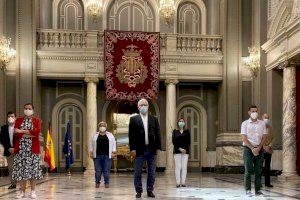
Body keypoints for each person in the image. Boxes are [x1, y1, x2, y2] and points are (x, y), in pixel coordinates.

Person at [128, 98, 161, 198]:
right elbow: (131, 135)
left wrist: (158, 147)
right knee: (137, 172)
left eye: (145, 104)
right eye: (141, 105)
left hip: (151, 149)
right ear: (138, 107)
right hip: (138, 150)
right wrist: (132, 149)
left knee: (151, 172)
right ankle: (139, 191)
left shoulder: (153, 119)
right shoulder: (134, 119)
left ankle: (150, 190)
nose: (143, 106)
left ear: (148, 106)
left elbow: (158, 133)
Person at [12, 103, 43, 199]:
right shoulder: (18, 120)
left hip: (32, 151)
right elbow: (15, 134)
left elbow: (36, 132)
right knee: (22, 171)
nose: (27, 110)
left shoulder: (36, 120)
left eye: (29, 108)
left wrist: (21, 131)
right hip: (21, 151)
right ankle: (22, 192)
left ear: (33, 110)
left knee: (33, 171)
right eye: (26, 108)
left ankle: (33, 192)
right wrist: (29, 133)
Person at [241, 105, 267, 196]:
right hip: (248, 149)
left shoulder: (262, 123)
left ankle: (257, 190)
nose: (254, 113)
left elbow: (264, 137)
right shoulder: (244, 124)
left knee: (258, 170)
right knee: (248, 170)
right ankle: (248, 189)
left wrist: (259, 148)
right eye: (252, 111)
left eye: (256, 111)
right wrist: (252, 149)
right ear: (249, 112)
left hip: (260, 148)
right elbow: (244, 138)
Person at [89, 121, 116, 188]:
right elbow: (91, 144)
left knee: (106, 170)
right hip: (97, 156)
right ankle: (97, 182)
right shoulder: (95, 135)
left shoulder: (110, 135)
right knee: (98, 171)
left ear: (106, 127)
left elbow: (113, 143)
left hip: (107, 156)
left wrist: (113, 152)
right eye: (101, 126)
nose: (102, 127)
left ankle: (107, 183)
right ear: (99, 127)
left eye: (103, 126)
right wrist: (91, 152)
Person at [0, 112, 17, 189]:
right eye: (9, 116)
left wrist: (15, 148)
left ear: (15, 117)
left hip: (19, 151)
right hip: (8, 151)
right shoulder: (3, 128)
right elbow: (2, 140)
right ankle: (13, 184)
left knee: (20, 168)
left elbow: (21, 139)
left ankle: (22, 184)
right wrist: (9, 148)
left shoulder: (19, 127)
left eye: (12, 116)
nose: (10, 117)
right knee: (11, 168)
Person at [172, 118, 190, 187]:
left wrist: (184, 149)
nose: (181, 122)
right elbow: (173, 141)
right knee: (178, 167)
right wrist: (180, 149)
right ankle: (178, 182)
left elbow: (188, 142)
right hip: (177, 151)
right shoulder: (175, 131)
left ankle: (183, 182)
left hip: (185, 152)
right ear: (178, 123)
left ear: (184, 123)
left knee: (184, 167)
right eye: (180, 121)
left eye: (182, 121)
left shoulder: (187, 132)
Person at [262, 113, 274, 187]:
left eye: (267, 118)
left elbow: (273, 138)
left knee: (267, 167)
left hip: (269, 150)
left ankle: (267, 183)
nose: (266, 119)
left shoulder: (271, 128)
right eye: (265, 117)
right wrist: (263, 146)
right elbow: (258, 138)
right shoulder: (259, 127)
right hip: (261, 149)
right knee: (259, 167)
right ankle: (258, 183)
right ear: (262, 118)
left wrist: (269, 145)